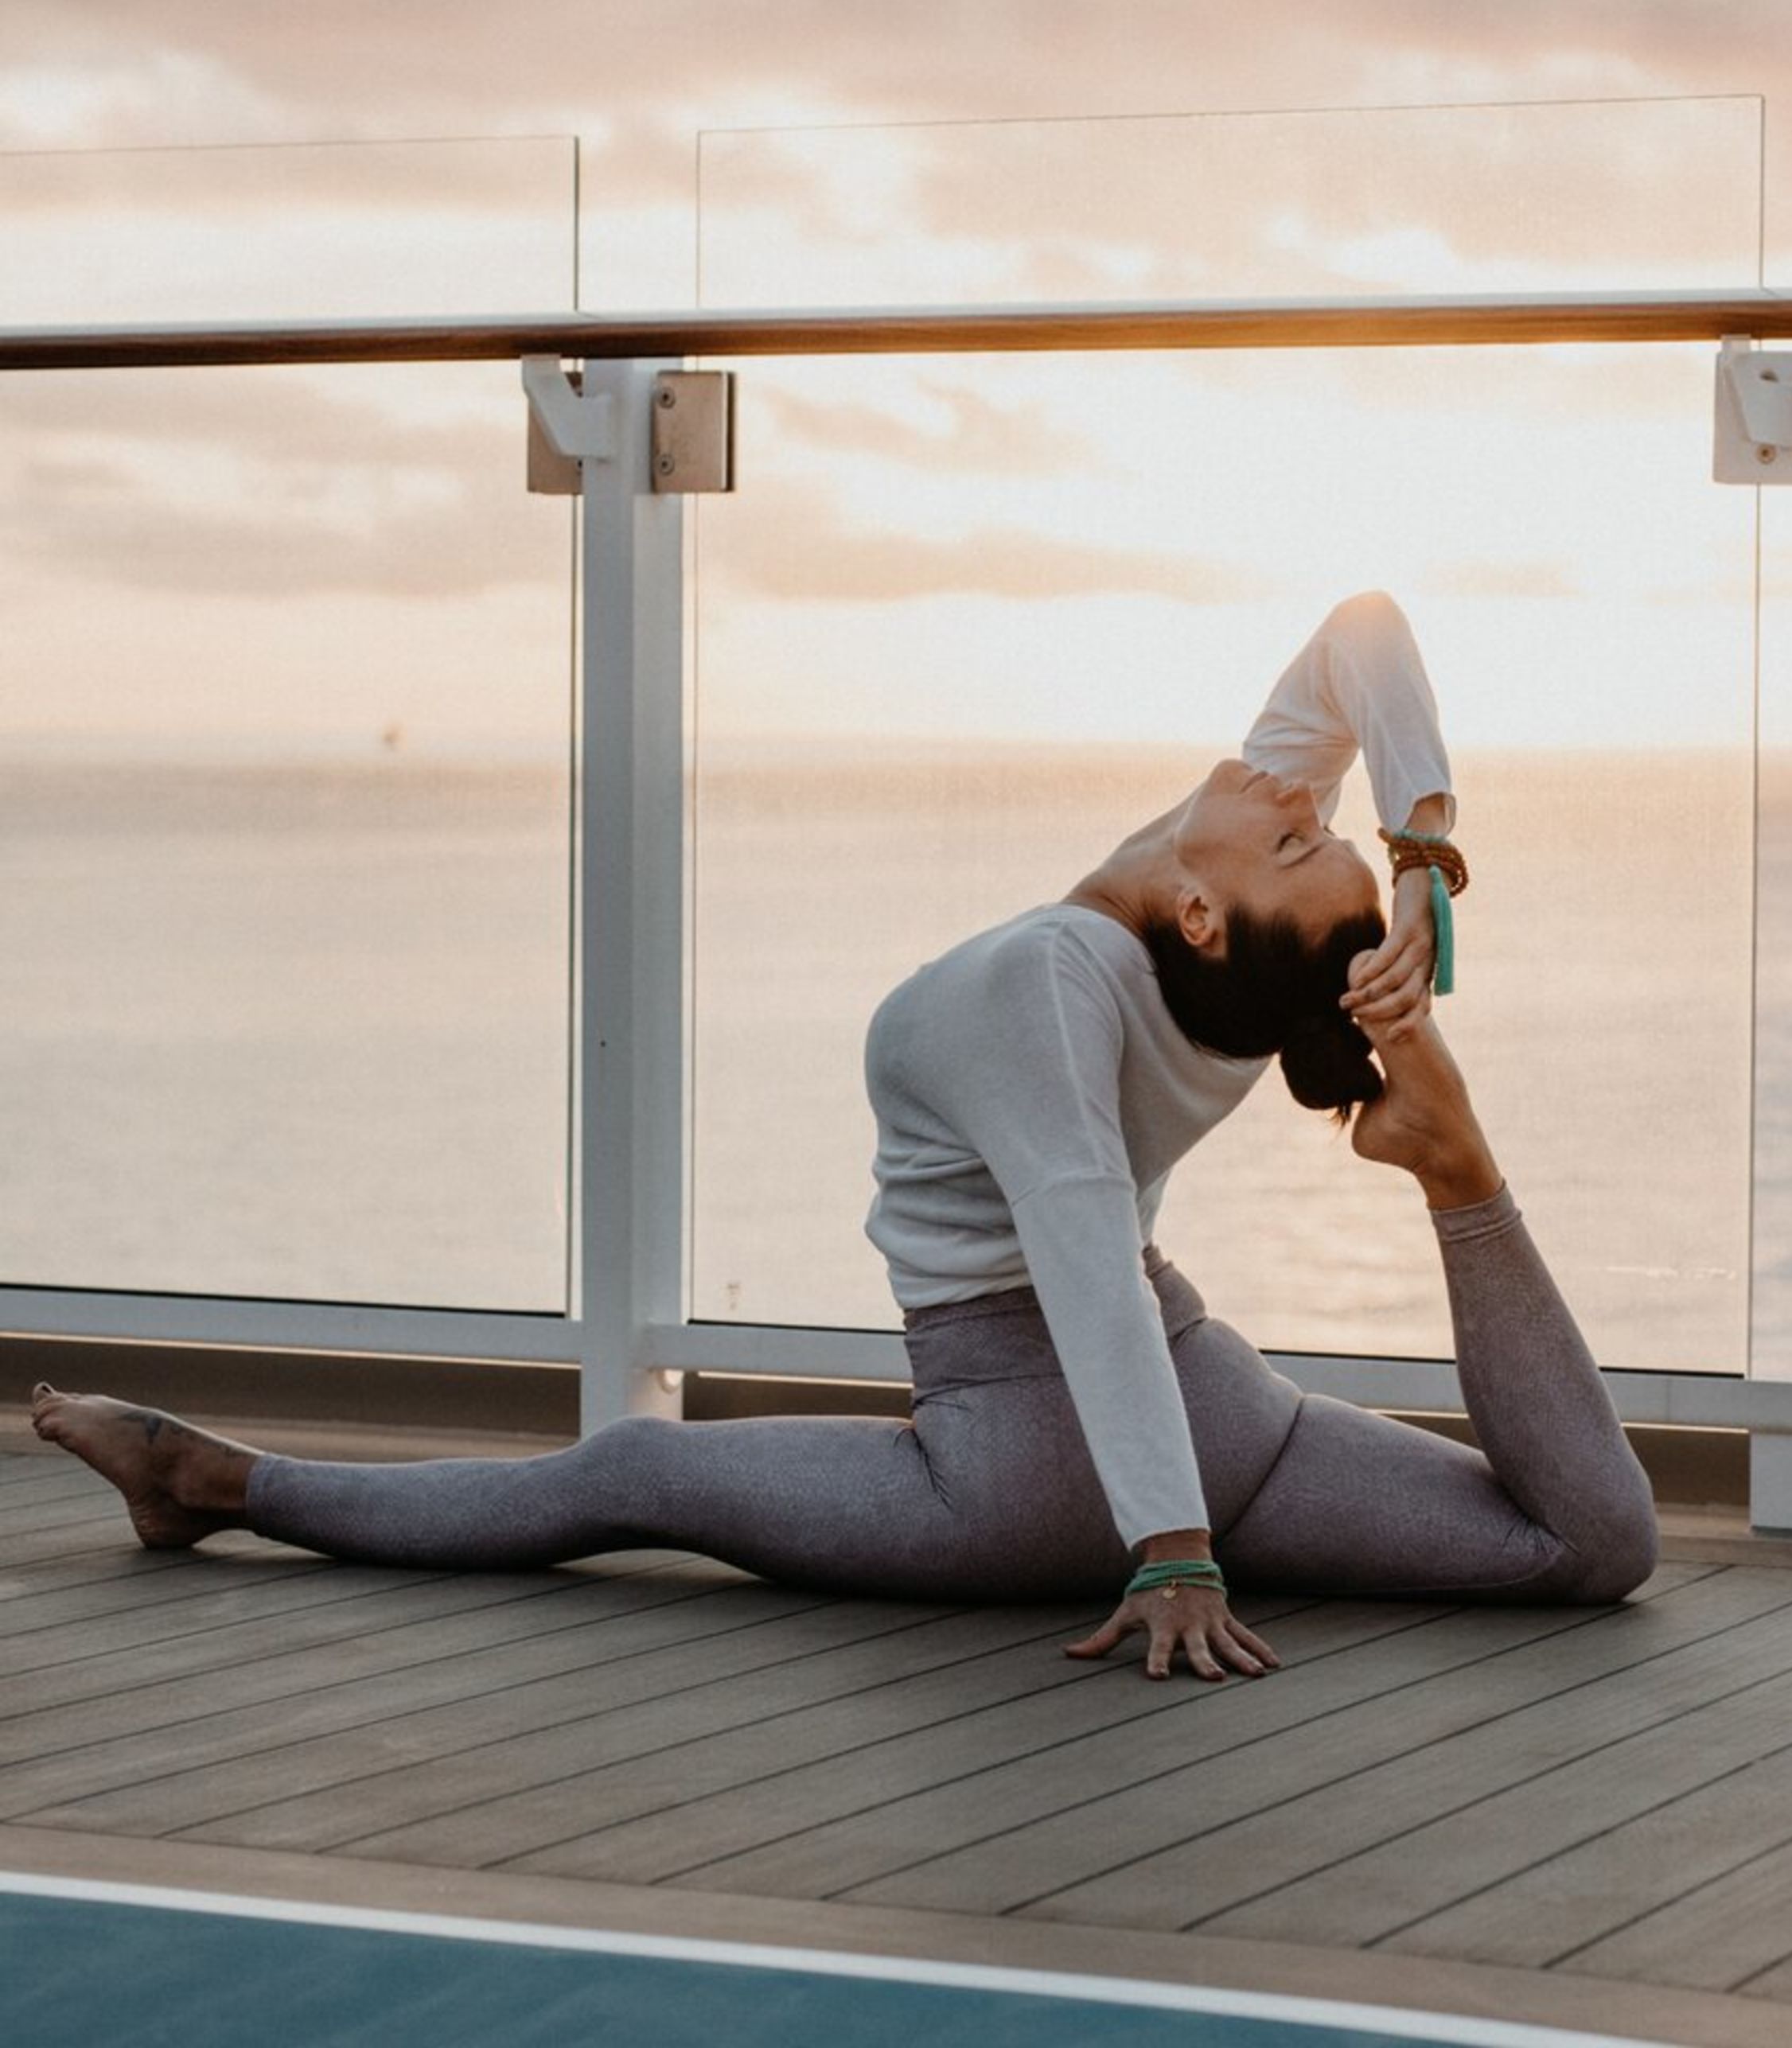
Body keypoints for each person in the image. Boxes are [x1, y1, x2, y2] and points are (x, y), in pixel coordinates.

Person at [27, 594, 1658, 1685]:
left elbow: (1086, 1255)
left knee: (637, 1470)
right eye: (1321, 821)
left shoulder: (1050, 975)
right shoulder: (1189, 953)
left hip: (1029, 1474)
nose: (1310, 796)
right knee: (1590, 1549)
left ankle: (223, 1480)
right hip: (1230, 1414)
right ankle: (1456, 1170)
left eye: (1302, 838)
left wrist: (1170, 1550)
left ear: (1202, 912)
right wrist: (1423, 840)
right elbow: (1359, 637)